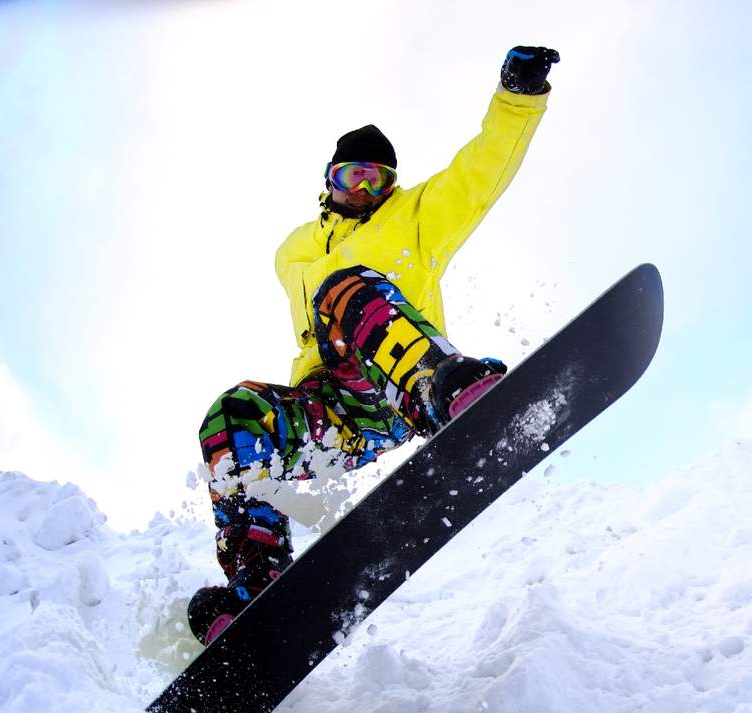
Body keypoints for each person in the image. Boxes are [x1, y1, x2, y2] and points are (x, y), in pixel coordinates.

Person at [187, 47, 561, 646]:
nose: (363, 188)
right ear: (328, 181)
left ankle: (449, 391)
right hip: (335, 415)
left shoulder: (416, 217)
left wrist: (517, 99)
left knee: (345, 288)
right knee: (231, 412)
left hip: (397, 382)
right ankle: (257, 582)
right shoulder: (296, 249)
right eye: (350, 176)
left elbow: (479, 174)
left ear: (391, 184)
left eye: (376, 179)